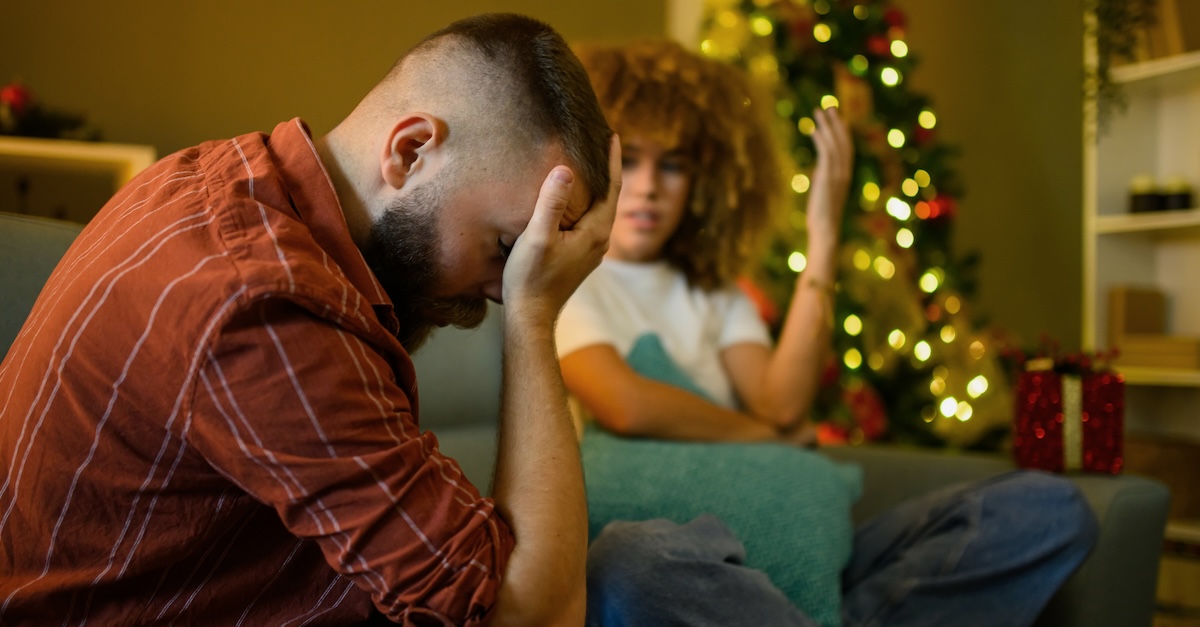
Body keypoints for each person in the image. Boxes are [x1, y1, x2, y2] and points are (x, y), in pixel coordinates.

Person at [0, 14, 619, 626]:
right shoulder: (264, 302)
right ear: (411, 150)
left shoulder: (207, 178)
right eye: (510, 250)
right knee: (639, 574)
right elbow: (530, 615)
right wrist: (537, 315)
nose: (508, 290)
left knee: (643, 565)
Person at [560, 40, 1098, 627]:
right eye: (630, 159)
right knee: (632, 563)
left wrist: (822, 236)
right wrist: (768, 438)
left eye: (673, 164)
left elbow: (781, 400)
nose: (648, 187)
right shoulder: (573, 276)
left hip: (780, 536)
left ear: (703, 177)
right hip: (689, 558)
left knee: (1047, 508)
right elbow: (626, 405)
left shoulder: (715, 292)